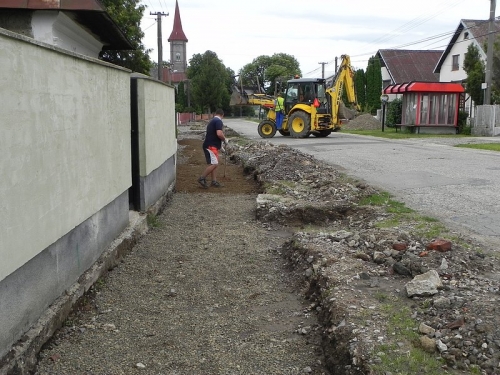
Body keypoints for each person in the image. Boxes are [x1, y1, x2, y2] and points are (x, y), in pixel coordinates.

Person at [198, 108, 228, 188]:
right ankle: (202, 178)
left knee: (214, 164)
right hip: (211, 146)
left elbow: (213, 135)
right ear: (222, 115)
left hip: (211, 145)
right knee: (214, 164)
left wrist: (221, 147)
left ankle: (214, 181)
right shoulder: (218, 121)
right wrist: (225, 139)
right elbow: (219, 133)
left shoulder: (212, 121)